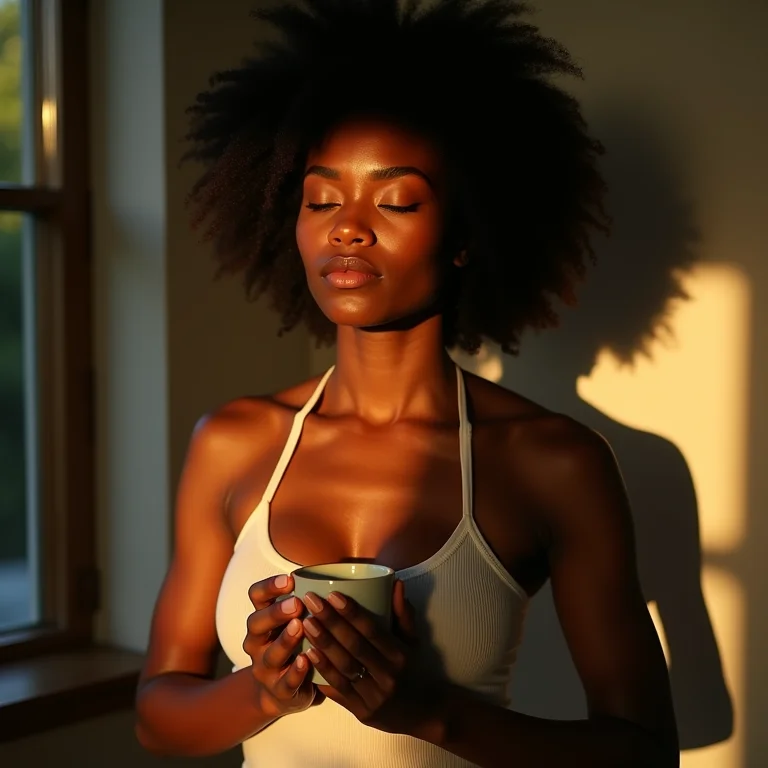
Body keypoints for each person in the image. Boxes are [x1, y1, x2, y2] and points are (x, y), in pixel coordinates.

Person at [135, 1, 679, 766]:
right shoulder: (232, 442)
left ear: (465, 236)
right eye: (320, 200)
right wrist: (261, 692)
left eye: (395, 201)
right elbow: (158, 715)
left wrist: (429, 712)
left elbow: (645, 753)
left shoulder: (553, 462)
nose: (346, 229)